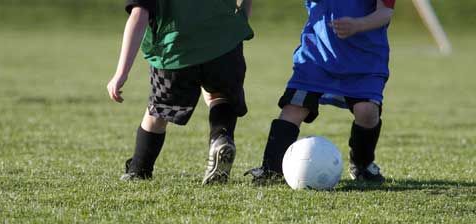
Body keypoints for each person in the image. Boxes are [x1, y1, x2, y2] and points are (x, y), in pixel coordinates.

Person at [246, 0, 395, 184]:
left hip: (365, 59)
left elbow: (385, 12)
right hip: (318, 55)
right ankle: (271, 169)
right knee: (294, 107)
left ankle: (362, 164)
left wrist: (358, 24)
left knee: (366, 112)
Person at [107, 0, 253, 184]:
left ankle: (139, 170)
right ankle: (221, 138)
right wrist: (241, 20)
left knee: (158, 112)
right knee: (221, 96)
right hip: (225, 43)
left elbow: (139, 15)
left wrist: (121, 72)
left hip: (176, 50)